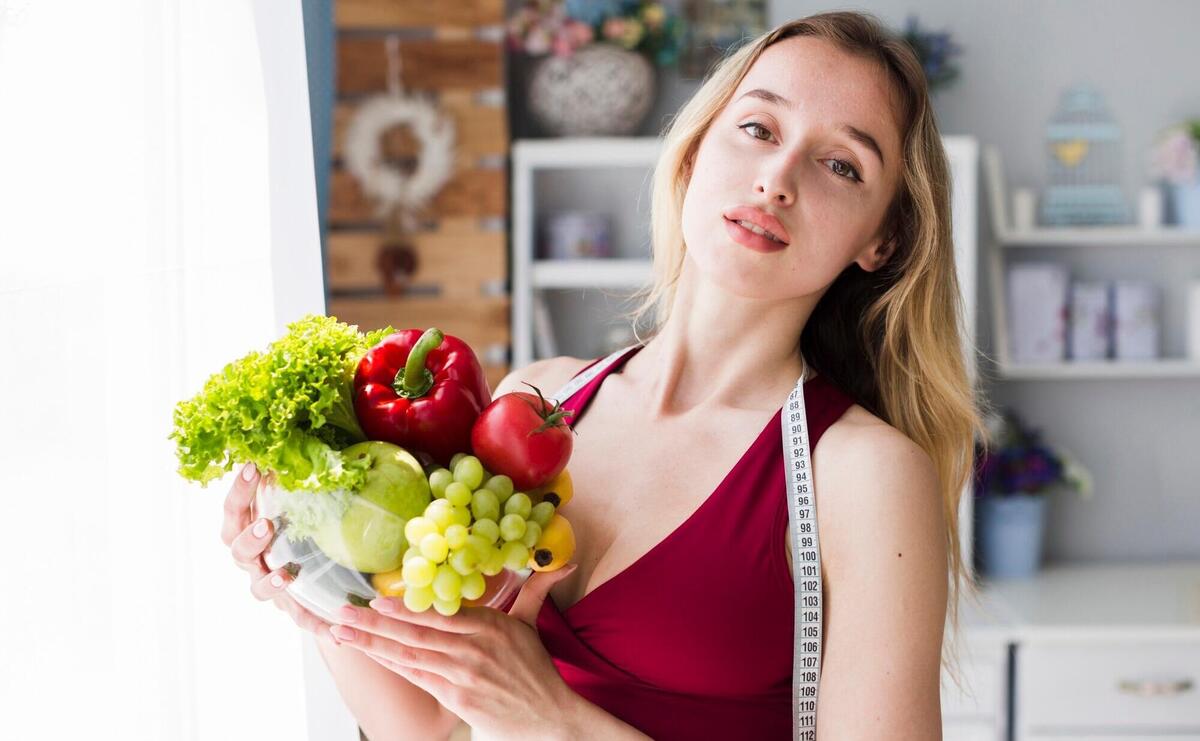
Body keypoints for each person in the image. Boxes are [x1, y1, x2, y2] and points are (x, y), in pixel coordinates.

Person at [222, 10, 989, 740]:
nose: (776, 179)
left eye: (840, 164)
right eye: (757, 128)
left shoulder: (862, 473)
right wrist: (308, 565)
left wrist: (558, 721)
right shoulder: (536, 400)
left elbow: (528, 714)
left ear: (881, 240)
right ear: (695, 152)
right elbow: (428, 722)